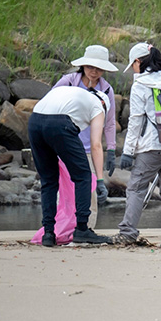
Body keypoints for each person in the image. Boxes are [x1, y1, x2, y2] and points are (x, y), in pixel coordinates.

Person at [110, 43, 161, 244]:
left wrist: (128, 152)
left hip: (151, 147)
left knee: (136, 188)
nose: (133, 69)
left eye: (133, 64)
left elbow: (136, 121)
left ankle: (128, 233)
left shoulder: (140, 85)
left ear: (138, 61)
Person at [28, 86, 112, 246]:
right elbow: (96, 145)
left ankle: (48, 233)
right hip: (60, 123)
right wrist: (100, 180)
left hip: (34, 121)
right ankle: (82, 229)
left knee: (48, 180)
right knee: (83, 176)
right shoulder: (98, 105)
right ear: (104, 104)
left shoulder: (71, 93)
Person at [52, 44, 118, 226]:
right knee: (63, 191)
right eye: (90, 67)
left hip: (90, 149)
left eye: (99, 68)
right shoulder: (68, 81)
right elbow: (50, 104)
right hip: (65, 146)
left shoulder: (106, 90)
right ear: (83, 65)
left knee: (90, 193)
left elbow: (110, 122)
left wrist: (111, 149)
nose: (94, 72)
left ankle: (86, 228)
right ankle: (60, 228)